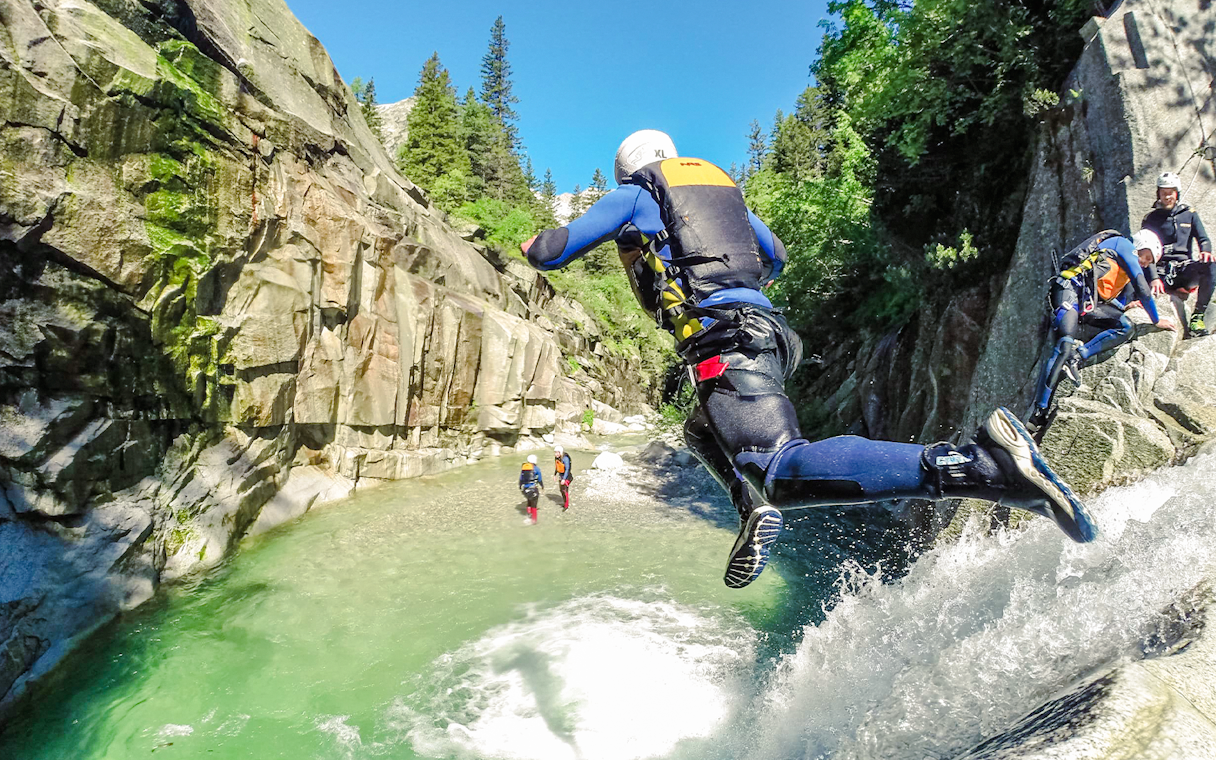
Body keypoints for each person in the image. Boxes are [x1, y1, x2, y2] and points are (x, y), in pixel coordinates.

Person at [521, 129, 1097, 589]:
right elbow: (777, 257)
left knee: (777, 465)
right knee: (701, 427)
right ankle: (750, 505)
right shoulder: (719, 198)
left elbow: (551, 252)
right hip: (766, 332)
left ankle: (980, 467)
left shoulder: (637, 195)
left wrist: (532, 245)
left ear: (630, 169)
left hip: (724, 340)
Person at [1026, 229, 1177, 434]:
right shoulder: (1124, 245)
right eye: (1147, 257)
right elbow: (1142, 288)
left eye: (1149, 262)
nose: (1145, 263)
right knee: (1064, 346)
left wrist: (1124, 307)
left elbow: (1100, 293)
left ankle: (1078, 358)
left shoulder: (1121, 265)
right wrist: (1156, 320)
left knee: (1125, 327)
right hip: (1068, 290)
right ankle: (1039, 413)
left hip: (1086, 301)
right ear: (1140, 246)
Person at [1141, 171, 1215, 336]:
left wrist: (1206, 252)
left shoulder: (1189, 214)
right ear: (1158, 194)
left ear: (1177, 193)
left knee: (1211, 265)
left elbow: (1204, 239)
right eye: (1163, 193)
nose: (1167, 197)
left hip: (1183, 269)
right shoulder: (1151, 219)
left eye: (1171, 193)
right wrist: (1153, 278)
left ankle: (1197, 317)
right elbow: (1145, 252)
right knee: (1139, 272)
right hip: (1160, 271)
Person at [519, 454, 544, 524]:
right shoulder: (537, 468)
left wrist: (520, 486)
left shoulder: (524, 468)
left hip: (525, 489)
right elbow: (539, 479)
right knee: (534, 503)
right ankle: (534, 521)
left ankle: (529, 515)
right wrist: (542, 486)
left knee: (529, 500)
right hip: (533, 489)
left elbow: (521, 479)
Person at [554, 445, 573, 510]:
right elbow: (557, 467)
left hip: (567, 476)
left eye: (557, 452)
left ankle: (566, 506)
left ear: (561, 452)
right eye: (555, 452)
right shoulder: (557, 458)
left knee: (565, 490)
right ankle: (565, 502)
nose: (556, 454)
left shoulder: (565, 458)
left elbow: (567, 469)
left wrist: (564, 479)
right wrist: (555, 475)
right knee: (561, 490)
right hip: (561, 476)